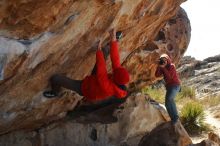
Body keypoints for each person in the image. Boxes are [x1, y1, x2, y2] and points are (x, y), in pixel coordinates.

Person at [43, 29, 130, 104]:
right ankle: (114, 42)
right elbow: (116, 60)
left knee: (55, 78)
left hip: (85, 89)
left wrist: (98, 51)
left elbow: (102, 72)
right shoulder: (119, 77)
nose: (116, 69)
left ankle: (55, 92)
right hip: (95, 79)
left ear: (115, 78)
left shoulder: (109, 88)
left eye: (116, 71)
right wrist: (113, 39)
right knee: (105, 51)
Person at [155, 54, 181, 124]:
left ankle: (175, 118)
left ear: (168, 60)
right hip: (170, 87)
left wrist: (163, 68)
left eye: (165, 60)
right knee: (167, 103)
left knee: (169, 99)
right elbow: (157, 75)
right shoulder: (163, 67)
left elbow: (170, 77)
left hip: (175, 85)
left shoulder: (172, 66)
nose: (164, 61)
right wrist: (159, 66)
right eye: (162, 60)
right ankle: (173, 118)